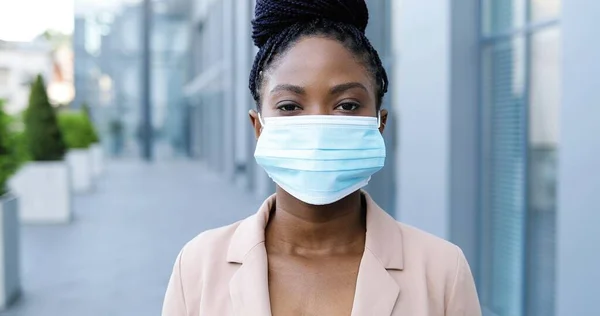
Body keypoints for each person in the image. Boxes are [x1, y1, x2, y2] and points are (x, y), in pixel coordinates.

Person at [162, 0, 481, 315]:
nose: (317, 126)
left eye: (347, 105)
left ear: (379, 124)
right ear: (259, 127)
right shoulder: (198, 267)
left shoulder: (442, 272)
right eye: (289, 106)